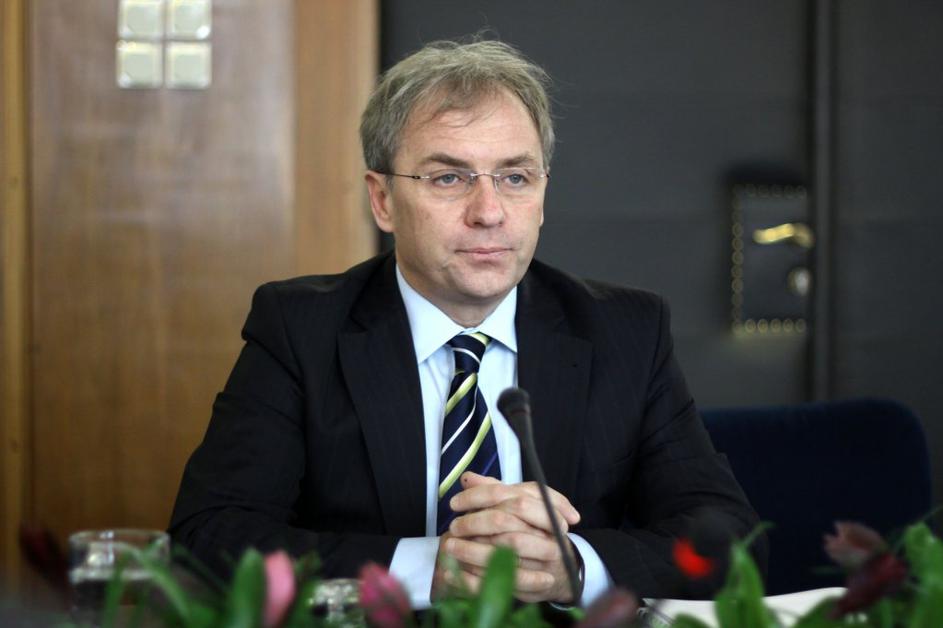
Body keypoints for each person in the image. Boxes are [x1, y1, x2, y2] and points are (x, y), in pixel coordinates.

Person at [169, 38, 765, 608]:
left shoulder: (624, 331)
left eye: (515, 177)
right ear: (382, 201)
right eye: (448, 178)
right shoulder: (300, 330)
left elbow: (730, 542)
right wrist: (429, 569)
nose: (489, 212)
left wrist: (574, 567)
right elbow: (208, 536)